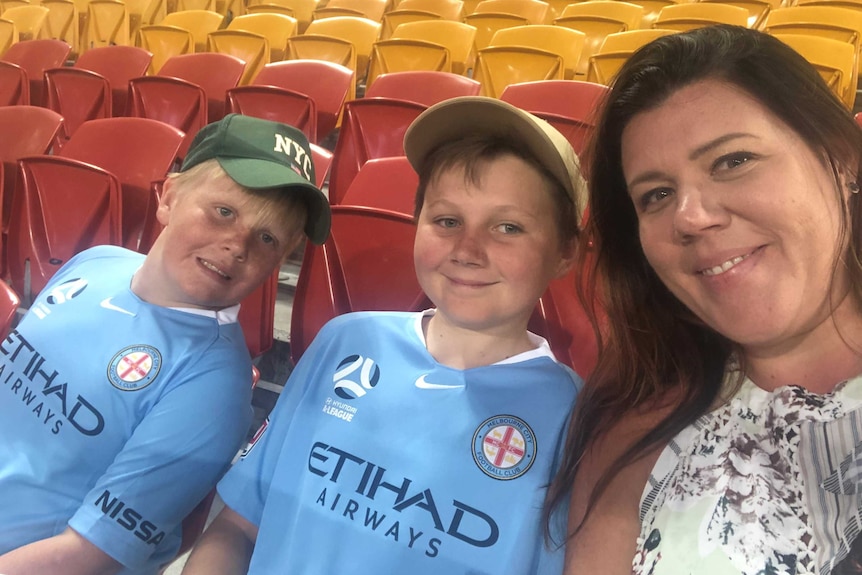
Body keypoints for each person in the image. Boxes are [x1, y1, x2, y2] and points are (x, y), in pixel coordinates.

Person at [181, 96, 587, 575]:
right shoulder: (345, 343)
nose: (468, 249)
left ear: (564, 253)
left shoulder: (575, 419)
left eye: (508, 227)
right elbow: (238, 526)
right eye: (447, 221)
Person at [544, 24, 862, 575]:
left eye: (732, 161)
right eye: (657, 195)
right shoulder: (630, 432)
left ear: (840, 158)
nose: (689, 217)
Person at [0, 114, 331, 575]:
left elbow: (88, 553)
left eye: (267, 238)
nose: (238, 246)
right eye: (224, 211)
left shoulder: (212, 386)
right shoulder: (94, 263)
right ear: (170, 196)